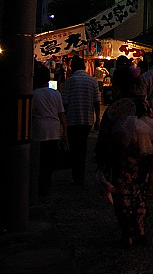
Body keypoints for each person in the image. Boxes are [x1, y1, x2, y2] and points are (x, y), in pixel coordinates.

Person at [94, 66, 153, 248]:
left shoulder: (117, 106)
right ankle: (139, 228)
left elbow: (105, 133)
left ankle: (127, 233)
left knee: (122, 193)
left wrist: (101, 158)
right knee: (138, 192)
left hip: (121, 156)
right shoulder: (145, 105)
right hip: (144, 155)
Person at [62, 56, 101, 186]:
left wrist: (63, 122)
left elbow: (65, 103)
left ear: (72, 67)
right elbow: (97, 102)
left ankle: (75, 175)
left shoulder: (69, 81)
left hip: (72, 119)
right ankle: (81, 175)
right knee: (83, 147)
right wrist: (98, 120)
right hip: (87, 119)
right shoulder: (93, 81)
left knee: (74, 148)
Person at [32, 62, 67, 200]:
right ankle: (46, 186)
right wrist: (65, 131)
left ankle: (39, 186)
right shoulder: (56, 93)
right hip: (53, 130)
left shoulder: (34, 94)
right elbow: (61, 113)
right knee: (49, 160)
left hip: (39, 129)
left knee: (39, 160)